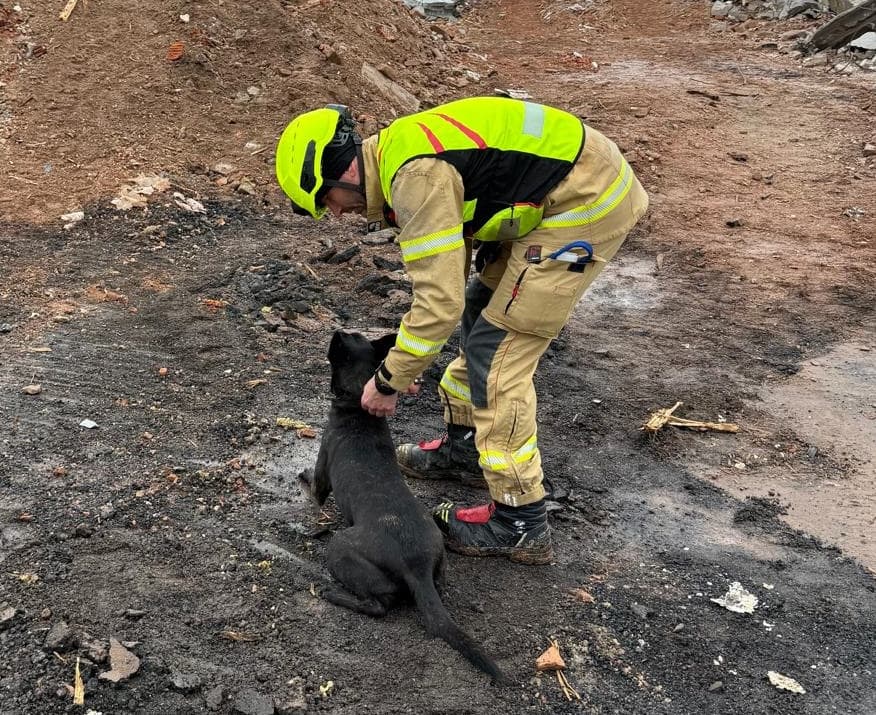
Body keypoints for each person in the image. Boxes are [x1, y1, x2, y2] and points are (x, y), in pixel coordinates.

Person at [275, 97, 648, 565]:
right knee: (481, 304)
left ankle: (520, 522)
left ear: (341, 174)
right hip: (554, 194)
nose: (334, 214)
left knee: (498, 353)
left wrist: (389, 379)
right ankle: (467, 450)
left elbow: (437, 304)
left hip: (585, 204)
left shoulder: (413, 178)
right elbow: (460, 244)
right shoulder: (401, 159)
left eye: (325, 201)